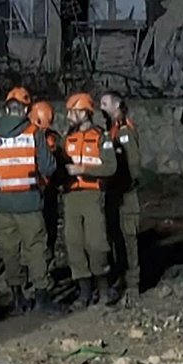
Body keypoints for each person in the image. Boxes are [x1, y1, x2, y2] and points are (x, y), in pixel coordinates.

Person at [0, 86, 61, 315]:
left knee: (9, 251)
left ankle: (17, 297)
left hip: (2, 205)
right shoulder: (34, 132)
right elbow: (49, 167)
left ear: (6, 107)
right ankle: (42, 297)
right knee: (36, 249)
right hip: (30, 203)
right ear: (26, 109)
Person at [62, 92, 120, 308]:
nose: (69, 115)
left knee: (96, 244)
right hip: (71, 197)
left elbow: (111, 167)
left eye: (73, 111)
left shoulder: (100, 137)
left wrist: (84, 169)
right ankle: (84, 291)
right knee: (74, 244)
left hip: (93, 195)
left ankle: (104, 288)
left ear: (84, 113)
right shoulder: (67, 139)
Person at [101, 90, 143, 303]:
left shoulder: (125, 130)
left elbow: (133, 164)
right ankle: (121, 280)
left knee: (129, 239)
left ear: (117, 105)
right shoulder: (113, 130)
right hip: (114, 194)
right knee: (115, 239)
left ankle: (133, 285)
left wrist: (125, 186)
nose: (102, 107)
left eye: (105, 103)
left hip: (125, 194)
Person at [29, 101, 64, 266]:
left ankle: (46, 263)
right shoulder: (24, 137)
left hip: (48, 191)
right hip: (31, 191)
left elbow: (58, 164)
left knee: (49, 229)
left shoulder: (53, 139)